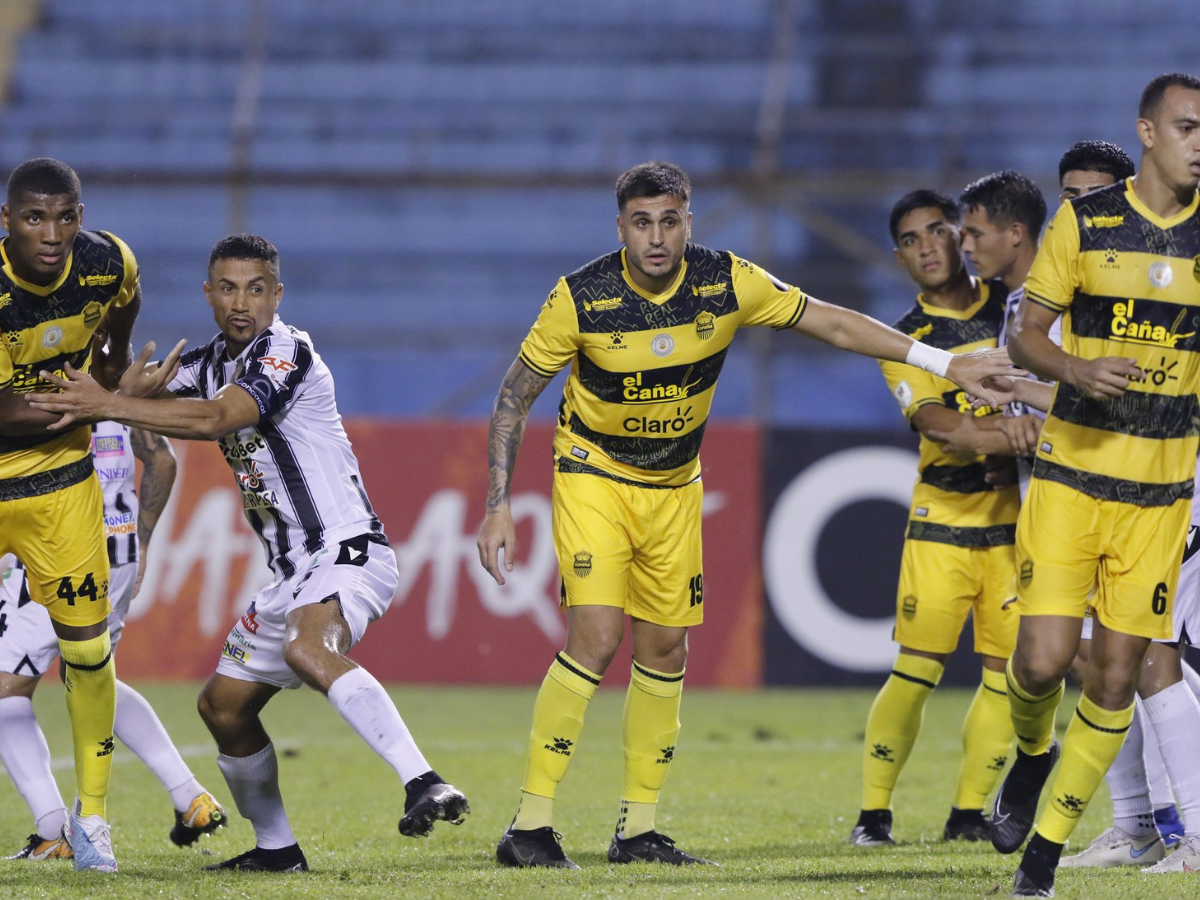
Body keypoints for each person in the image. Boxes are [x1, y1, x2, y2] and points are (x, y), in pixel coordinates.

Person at [474, 161, 1018, 868]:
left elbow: (834, 323)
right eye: (642, 223)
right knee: (598, 636)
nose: (657, 237)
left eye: (670, 219)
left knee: (666, 650)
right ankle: (530, 826)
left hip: (676, 486)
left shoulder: (727, 280)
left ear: (688, 220)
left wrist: (945, 365)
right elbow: (515, 396)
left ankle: (636, 831)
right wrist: (496, 506)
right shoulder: (579, 298)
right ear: (621, 229)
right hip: (594, 476)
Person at [28, 234, 470, 873]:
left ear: (277, 294)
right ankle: (276, 850)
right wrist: (112, 382)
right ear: (209, 294)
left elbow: (214, 420)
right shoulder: (208, 361)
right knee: (222, 707)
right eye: (228, 288)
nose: (242, 302)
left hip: (345, 547)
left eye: (256, 288)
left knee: (308, 646)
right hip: (291, 571)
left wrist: (109, 403)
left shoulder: (285, 351)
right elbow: (132, 391)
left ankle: (422, 780)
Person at [987, 73, 1200, 896]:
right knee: (1041, 662)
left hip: (1158, 495)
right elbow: (1024, 331)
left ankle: (1041, 858)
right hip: (1074, 480)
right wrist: (1077, 368)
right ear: (1147, 133)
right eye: (1187, 127)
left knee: (1118, 675)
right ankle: (1032, 757)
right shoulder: (1088, 220)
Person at [852, 190, 1045, 848]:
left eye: (938, 230)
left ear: (963, 236)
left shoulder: (1017, 314)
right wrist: (1027, 439)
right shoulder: (905, 341)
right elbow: (939, 424)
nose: (928, 245)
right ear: (900, 257)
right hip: (944, 520)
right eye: (911, 239)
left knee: (1005, 676)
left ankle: (968, 813)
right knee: (917, 669)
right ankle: (873, 814)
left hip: (1018, 527)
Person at [0, 157, 141, 872]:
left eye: (64, 216)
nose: (51, 233)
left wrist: (111, 375)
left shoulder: (107, 261)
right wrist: (93, 403)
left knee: (87, 653)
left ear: (79, 217)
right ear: (7, 222)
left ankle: (92, 821)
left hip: (61, 489)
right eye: (33, 217)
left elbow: (123, 309)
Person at [0, 421, 226, 860]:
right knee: (89, 673)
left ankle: (53, 830)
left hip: (58, 545)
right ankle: (190, 797)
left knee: (5, 688)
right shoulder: (118, 381)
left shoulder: (40, 381)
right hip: (117, 548)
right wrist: (140, 541)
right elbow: (161, 457)